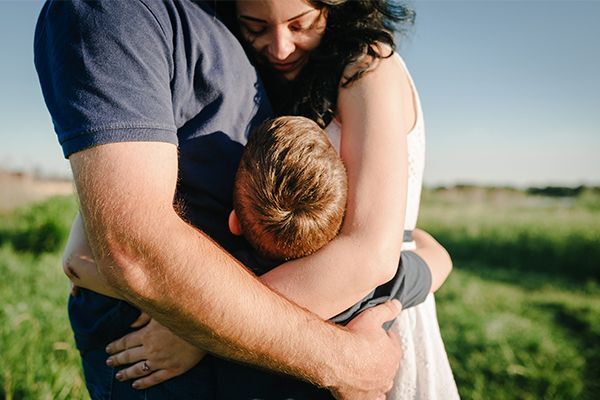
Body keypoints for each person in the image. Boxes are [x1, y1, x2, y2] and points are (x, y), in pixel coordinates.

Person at [34, 1, 410, 399]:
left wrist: (202, 332)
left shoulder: (359, 67)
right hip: (181, 344)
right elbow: (119, 248)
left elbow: (383, 252)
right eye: (257, 27)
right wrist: (209, 326)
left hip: (306, 324)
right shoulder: (121, 15)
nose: (281, 47)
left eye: (300, 24)